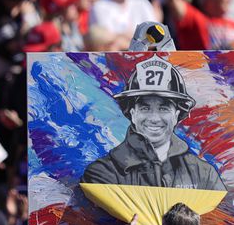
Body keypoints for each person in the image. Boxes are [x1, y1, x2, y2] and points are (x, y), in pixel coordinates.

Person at [81, 54, 226, 190]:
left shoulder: (205, 175)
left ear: (176, 115)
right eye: (145, 108)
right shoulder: (102, 173)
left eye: (163, 108)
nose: (154, 118)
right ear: (132, 113)